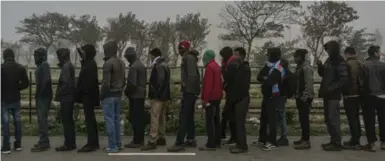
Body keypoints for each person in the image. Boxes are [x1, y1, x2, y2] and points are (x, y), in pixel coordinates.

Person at [168, 41, 200, 152]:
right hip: (191, 91)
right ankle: (191, 139)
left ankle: (179, 142)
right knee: (189, 116)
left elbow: (192, 75)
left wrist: (187, 88)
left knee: (184, 116)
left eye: (179, 48)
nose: (179, 51)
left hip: (189, 92)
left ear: (183, 48)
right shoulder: (189, 57)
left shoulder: (189, 58)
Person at [317, 40, 349, 151]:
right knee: (328, 119)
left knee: (333, 118)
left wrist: (331, 88)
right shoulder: (329, 60)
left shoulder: (340, 62)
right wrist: (320, 67)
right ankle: (333, 140)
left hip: (334, 95)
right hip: (327, 93)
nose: (328, 51)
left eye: (329, 49)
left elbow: (343, 80)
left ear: (334, 49)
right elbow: (323, 74)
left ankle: (337, 143)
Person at [141, 48, 171, 151]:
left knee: (154, 117)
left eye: (151, 56)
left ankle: (152, 140)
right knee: (161, 117)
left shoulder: (159, 66)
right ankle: (161, 137)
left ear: (154, 55)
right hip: (164, 96)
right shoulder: (165, 65)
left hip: (158, 96)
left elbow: (159, 82)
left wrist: (155, 94)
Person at [1, 48, 29, 154]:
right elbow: (26, 83)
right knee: (17, 122)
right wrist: (17, 87)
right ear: (13, 56)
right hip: (16, 98)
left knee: (6, 123)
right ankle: (18, 145)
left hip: (4, 99)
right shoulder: (20, 68)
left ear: (4, 56)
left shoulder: (1, 68)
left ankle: (6, 147)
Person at [257, 47, 285, 151]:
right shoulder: (268, 65)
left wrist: (265, 78)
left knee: (272, 119)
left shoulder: (279, 68)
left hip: (274, 96)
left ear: (274, 55)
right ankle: (262, 138)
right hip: (266, 96)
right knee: (263, 118)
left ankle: (272, 141)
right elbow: (259, 76)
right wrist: (265, 78)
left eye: (269, 54)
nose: (267, 56)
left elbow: (270, 82)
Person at [101, 41, 126, 153]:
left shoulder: (108, 63)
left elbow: (106, 83)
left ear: (110, 50)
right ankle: (118, 144)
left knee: (109, 120)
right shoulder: (121, 63)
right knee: (116, 120)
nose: (104, 52)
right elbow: (124, 80)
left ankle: (112, 146)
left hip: (109, 94)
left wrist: (102, 95)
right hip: (118, 94)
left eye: (105, 49)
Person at [224, 47, 250, 154]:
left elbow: (241, 85)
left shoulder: (244, 68)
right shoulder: (238, 67)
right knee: (236, 122)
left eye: (237, 54)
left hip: (241, 98)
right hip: (237, 99)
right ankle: (239, 143)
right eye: (234, 54)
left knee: (240, 123)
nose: (235, 56)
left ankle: (242, 146)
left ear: (242, 56)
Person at [75, 44, 100, 152]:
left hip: (88, 96)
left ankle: (92, 143)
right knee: (90, 120)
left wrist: (80, 92)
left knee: (90, 120)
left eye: (84, 52)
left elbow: (88, 82)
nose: (83, 53)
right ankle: (93, 142)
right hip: (88, 96)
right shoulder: (89, 63)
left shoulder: (90, 65)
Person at [361, 45, 385, 152]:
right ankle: (384, 142)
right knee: (383, 119)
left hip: (368, 96)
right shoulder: (383, 65)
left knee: (369, 120)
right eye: (379, 52)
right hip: (382, 95)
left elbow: (361, 82)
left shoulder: (364, 65)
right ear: (375, 53)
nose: (380, 54)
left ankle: (372, 144)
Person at [198, 50, 223, 151]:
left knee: (210, 121)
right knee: (216, 120)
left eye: (204, 56)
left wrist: (205, 99)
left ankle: (210, 143)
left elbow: (208, 85)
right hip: (217, 97)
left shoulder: (209, 68)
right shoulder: (217, 66)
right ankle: (217, 141)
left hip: (211, 98)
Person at [123, 47, 147, 148]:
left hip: (135, 95)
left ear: (130, 57)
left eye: (127, 57)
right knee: (140, 118)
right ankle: (140, 139)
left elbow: (132, 84)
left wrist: (126, 92)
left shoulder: (133, 67)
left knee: (135, 118)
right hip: (142, 94)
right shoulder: (141, 65)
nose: (127, 59)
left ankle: (136, 141)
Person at [30, 48, 53, 152]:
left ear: (43, 56)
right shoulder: (40, 66)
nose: (35, 58)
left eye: (37, 55)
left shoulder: (45, 65)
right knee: (40, 119)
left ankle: (44, 143)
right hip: (40, 96)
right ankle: (43, 141)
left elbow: (47, 80)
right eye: (34, 56)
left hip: (44, 96)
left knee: (42, 119)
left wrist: (40, 93)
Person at [54, 48, 76, 151]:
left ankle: (68, 144)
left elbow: (66, 84)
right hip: (69, 97)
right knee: (69, 121)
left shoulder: (66, 67)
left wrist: (58, 93)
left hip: (66, 97)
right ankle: (71, 143)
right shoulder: (69, 65)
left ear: (63, 56)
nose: (58, 58)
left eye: (59, 56)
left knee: (66, 121)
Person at [341, 47, 362, 150]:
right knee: (356, 117)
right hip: (358, 95)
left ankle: (354, 141)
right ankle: (357, 138)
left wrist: (344, 91)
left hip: (349, 95)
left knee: (352, 119)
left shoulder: (347, 64)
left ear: (347, 54)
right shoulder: (360, 63)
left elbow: (345, 80)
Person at [293, 49, 314, 150]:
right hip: (299, 97)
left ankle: (306, 141)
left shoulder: (306, 68)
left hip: (304, 98)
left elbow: (309, 84)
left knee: (305, 120)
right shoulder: (299, 67)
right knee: (302, 119)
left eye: (296, 57)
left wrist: (304, 98)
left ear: (300, 57)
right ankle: (303, 138)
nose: (294, 59)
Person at [219, 46, 237, 144]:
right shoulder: (229, 63)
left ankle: (232, 136)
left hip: (232, 93)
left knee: (230, 115)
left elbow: (227, 77)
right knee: (227, 114)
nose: (222, 58)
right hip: (230, 92)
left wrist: (223, 69)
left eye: (223, 56)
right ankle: (223, 134)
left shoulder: (232, 64)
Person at [276, 58, 294, 146]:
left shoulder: (283, 74)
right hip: (283, 96)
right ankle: (283, 137)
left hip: (280, 96)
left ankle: (284, 137)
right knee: (280, 114)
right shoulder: (288, 73)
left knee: (281, 115)